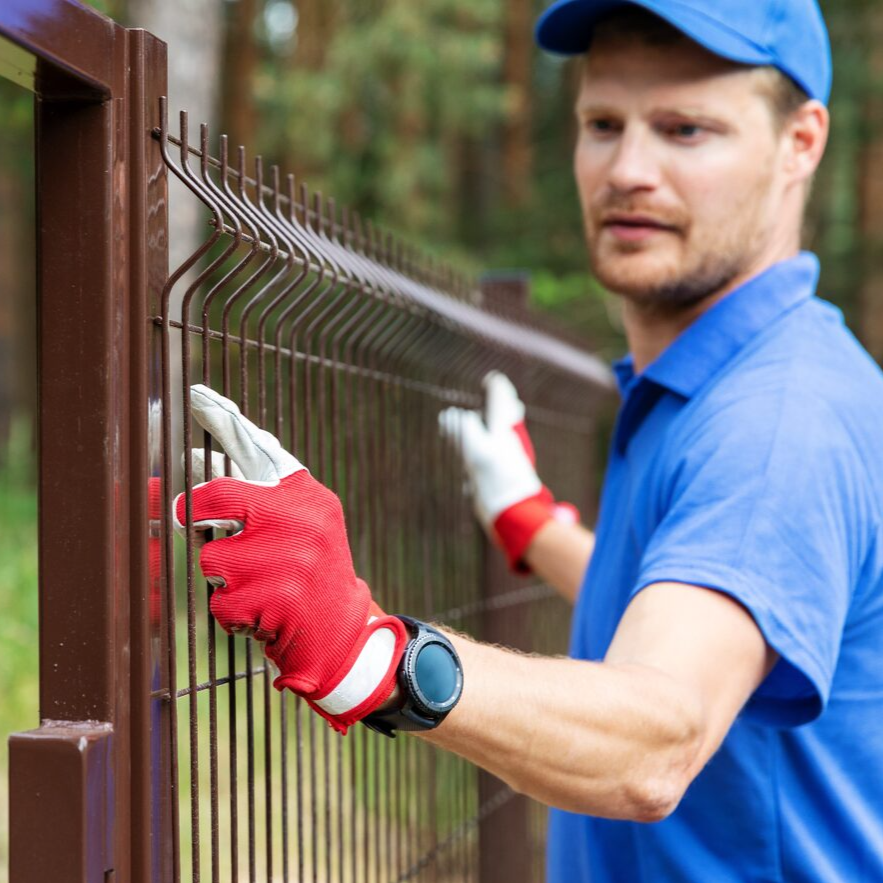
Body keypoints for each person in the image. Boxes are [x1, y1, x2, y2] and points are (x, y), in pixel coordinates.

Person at [173, 1, 883, 880]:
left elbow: (660, 737)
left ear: (800, 143)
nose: (628, 168)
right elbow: (697, 604)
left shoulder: (777, 422)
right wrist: (530, 522)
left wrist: (372, 654)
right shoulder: (718, 381)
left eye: (685, 130)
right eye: (602, 123)